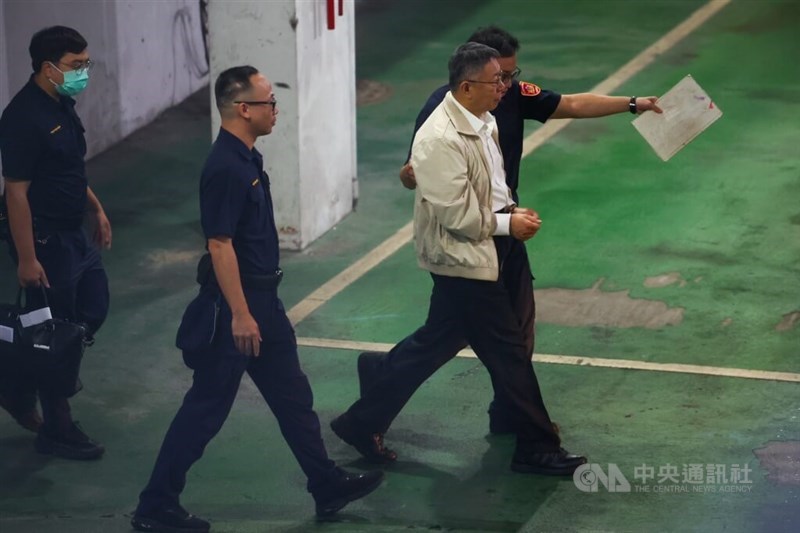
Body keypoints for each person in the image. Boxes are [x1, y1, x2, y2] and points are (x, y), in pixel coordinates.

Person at [131, 66, 383, 533]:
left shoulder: (248, 158)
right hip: (238, 310)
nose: (275, 109)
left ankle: (325, 484)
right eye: (268, 101)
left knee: (293, 398)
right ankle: (155, 505)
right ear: (243, 108)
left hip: (264, 304)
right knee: (205, 410)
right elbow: (219, 244)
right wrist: (242, 315)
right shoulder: (226, 167)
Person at [385, 26, 663, 435]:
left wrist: (633, 104)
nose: (509, 86)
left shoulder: (504, 100)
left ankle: (511, 415)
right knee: (464, 342)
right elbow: (421, 182)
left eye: (511, 75)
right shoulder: (440, 115)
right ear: (477, 76)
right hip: (468, 245)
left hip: (504, 231)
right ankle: (528, 434)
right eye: (501, 77)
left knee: (510, 335)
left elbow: (569, 104)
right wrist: (414, 175)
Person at [331, 43, 587, 476]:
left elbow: (493, 186)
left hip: (498, 245)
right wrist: (508, 225)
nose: (505, 87)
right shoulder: (438, 140)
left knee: (444, 340)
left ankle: (363, 417)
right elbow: (457, 217)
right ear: (467, 86)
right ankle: (537, 446)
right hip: (466, 259)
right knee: (508, 350)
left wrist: (510, 214)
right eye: (497, 81)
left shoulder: (482, 118)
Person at [0, 26, 110, 460]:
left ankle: (16, 384)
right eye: (76, 65)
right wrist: (27, 258)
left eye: (86, 64)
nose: (84, 72)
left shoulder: (62, 103)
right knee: (54, 334)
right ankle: (57, 427)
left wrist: (96, 209)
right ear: (49, 68)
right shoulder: (22, 118)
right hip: (46, 241)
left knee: (92, 310)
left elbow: (68, 170)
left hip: (74, 234)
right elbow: (16, 193)